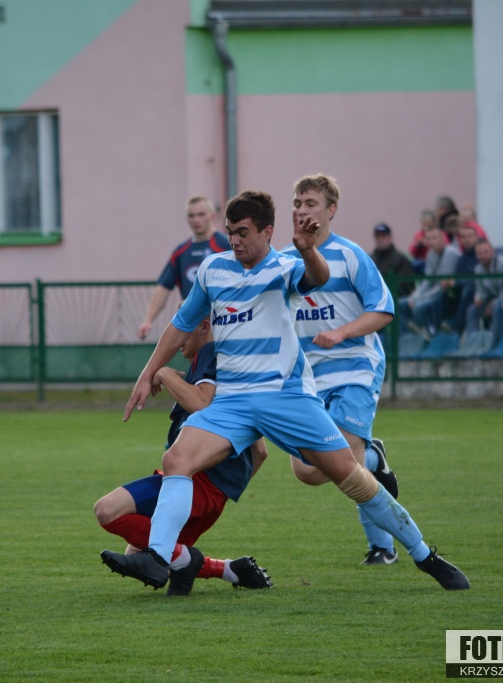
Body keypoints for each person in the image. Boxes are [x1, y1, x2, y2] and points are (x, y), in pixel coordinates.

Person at [102, 189, 469, 592]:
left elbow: (318, 277)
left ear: (267, 231)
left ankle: (424, 555)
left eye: (243, 232)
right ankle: (158, 558)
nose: (234, 240)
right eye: (230, 232)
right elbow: (181, 325)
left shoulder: (284, 267)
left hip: (284, 396)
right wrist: (147, 373)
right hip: (232, 401)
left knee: (350, 476)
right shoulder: (212, 269)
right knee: (176, 460)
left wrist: (308, 249)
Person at [95, 317, 273, 596]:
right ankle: (232, 570)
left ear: (204, 326)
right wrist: (222, 493)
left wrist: (164, 373)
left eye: (182, 331)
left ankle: (189, 561)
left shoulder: (212, 352)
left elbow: (200, 403)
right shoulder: (228, 367)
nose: (176, 341)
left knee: (107, 510)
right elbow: (260, 452)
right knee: (138, 552)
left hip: (195, 483)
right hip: (211, 494)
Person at [282, 174, 402, 566]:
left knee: (346, 464)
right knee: (307, 472)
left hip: (355, 370)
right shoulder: (283, 260)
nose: (302, 210)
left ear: (331, 210)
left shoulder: (350, 255)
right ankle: (373, 457)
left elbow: (383, 310)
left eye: (311, 203)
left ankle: (382, 547)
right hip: (308, 377)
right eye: (297, 203)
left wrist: (341, 332)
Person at [137, 196, 231, 340]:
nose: (196, 220)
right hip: (193, 325)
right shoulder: (181, 252)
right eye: (191, 215)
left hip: (223, 322)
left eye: (201, 214)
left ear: (212, 216)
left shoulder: (227, 246)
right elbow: (164, 287)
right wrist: (148, 320)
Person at [395, 223, 459, 340]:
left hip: (446, 295)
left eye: (434, 238)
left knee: (419, 308)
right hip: (431, 293)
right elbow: (427, 281)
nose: (431, 242)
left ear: (442, 238)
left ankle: (425, 337)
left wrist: (419, 300)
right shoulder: (431, 254)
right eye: (428, 239)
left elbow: (442, 285)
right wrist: (415, 297)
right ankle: (406, 338)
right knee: (400, 305)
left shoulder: (450, 253)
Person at [464, 238, 503, 347]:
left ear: (492, 251)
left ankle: (492, 343)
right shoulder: (478, 269)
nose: (482, 255)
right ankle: (473, 343)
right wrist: (478, 297)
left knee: (496, 308)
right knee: (472, 310)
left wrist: (494, 303)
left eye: (485, 252)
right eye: (479, 253)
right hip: (489, 300)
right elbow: (480, 289)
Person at [369, 223, 415, 296]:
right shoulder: (371, 259)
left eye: (383, 236)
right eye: (377, 237)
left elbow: (406, 285)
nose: (380, 240)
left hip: (395, 299)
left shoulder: (400, 259)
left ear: (390, 238)